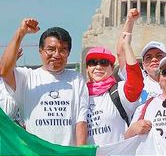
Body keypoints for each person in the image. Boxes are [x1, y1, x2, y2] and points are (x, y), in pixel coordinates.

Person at [0, 18, 88, 146]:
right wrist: (21, 33)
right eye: (51, 49)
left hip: (67, 152)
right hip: (36, 151)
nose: (56, 55)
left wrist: (82, 153)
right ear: (40, 50)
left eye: (62, 50)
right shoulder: (26, 78)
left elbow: (81, 121)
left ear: (68, 53)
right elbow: (4, 70)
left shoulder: (76, 79)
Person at [117, 8, 166, 104]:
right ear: (143, 64)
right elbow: (121, 53)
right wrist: (130, 21)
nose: (154, 59)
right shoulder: (139, 81)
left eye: (159, 56)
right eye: (148, 57)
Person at [85, 31, 144, 145]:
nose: (98, 67)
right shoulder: (80, 94)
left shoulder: (118, 91)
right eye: (93, 62)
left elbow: (136, 82)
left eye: (104, 63)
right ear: (87, 68)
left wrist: (126, 47)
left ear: (112, 68)